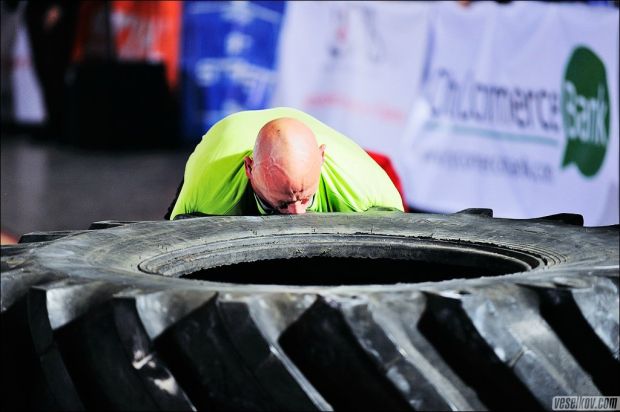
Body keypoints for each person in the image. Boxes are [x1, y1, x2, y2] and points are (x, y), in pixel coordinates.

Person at [166, 107, 404, 219]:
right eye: (283, 202)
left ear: (322, 158)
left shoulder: (368, 192)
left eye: (305, 198)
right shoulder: (207, 191)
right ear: (249, 169)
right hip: (223, 142)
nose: (296, 213)